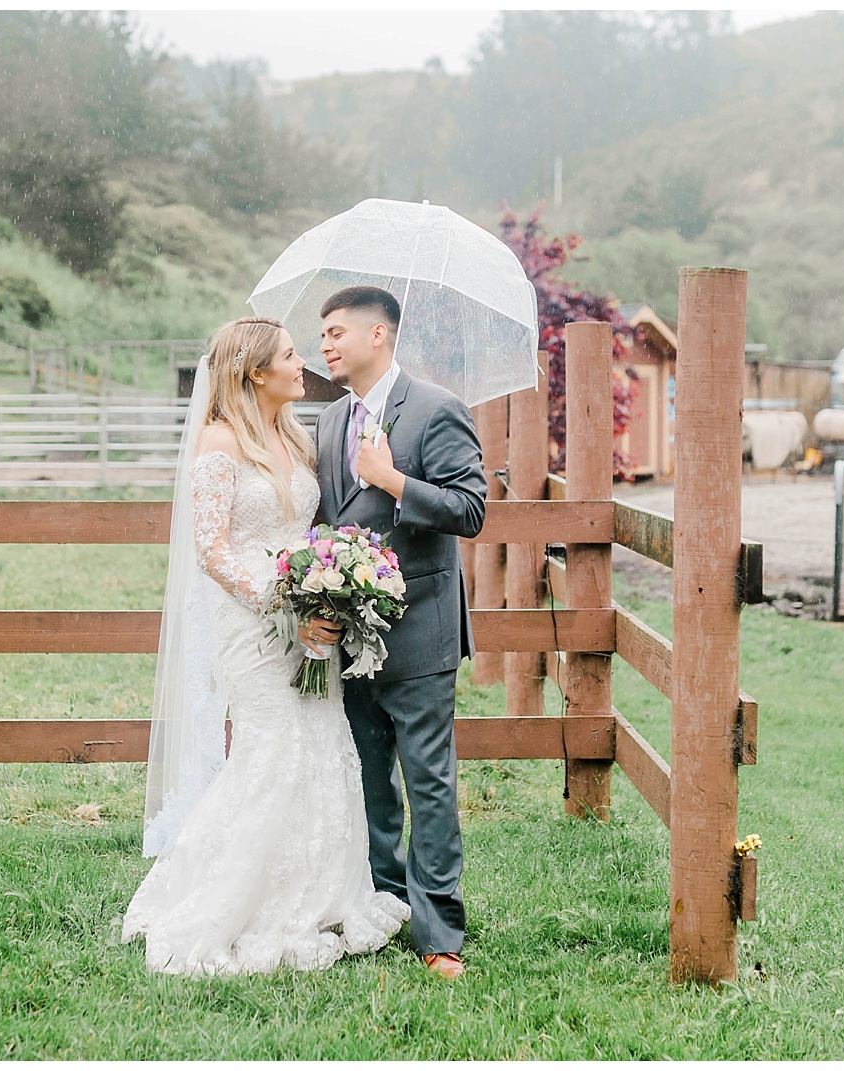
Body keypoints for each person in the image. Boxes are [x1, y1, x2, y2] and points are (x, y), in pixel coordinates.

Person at [122, 316, 408, 976]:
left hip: (312, 618)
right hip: (254, 620)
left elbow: (310, 528)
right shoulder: (220, 441)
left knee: (323, 740)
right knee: (272, 747)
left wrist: (330, 589)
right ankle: (227, 899)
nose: (301, 362)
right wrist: (286, 601)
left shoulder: (293, 435)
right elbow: (213, 548)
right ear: (255, 372)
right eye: (288, 354)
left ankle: (321, 893)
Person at [310, 285, 487, 980]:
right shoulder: (328, 421)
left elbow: (471, 508)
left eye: (334, 332)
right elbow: (322, 520)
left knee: (428, 783)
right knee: (368, 783)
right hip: (348, 634)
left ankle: (439, 931)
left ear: (377, 334)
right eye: (320, 336)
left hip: (419, 630)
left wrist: (392, 479)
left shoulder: (437, 409)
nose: (325, 345)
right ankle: (382, 907)